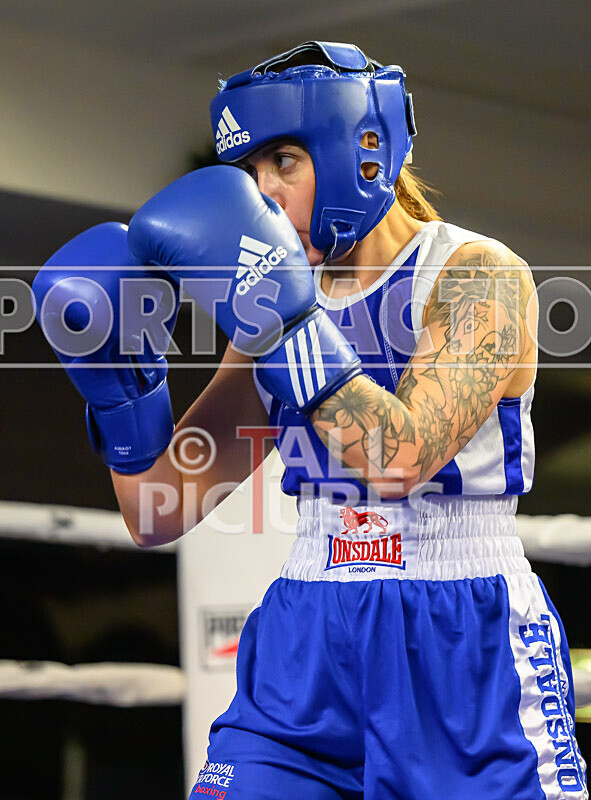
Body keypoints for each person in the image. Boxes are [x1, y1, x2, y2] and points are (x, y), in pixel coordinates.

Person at [34, 41, 587, 800]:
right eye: (250, 171)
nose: (263, 191)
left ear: (363, 151)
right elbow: (158, 509)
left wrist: (284, 325)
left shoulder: (476, 276)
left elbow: (401, 457)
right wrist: (120, 383)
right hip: (307, 636)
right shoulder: (269, 312)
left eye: (284, 161)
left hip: (459, 637)